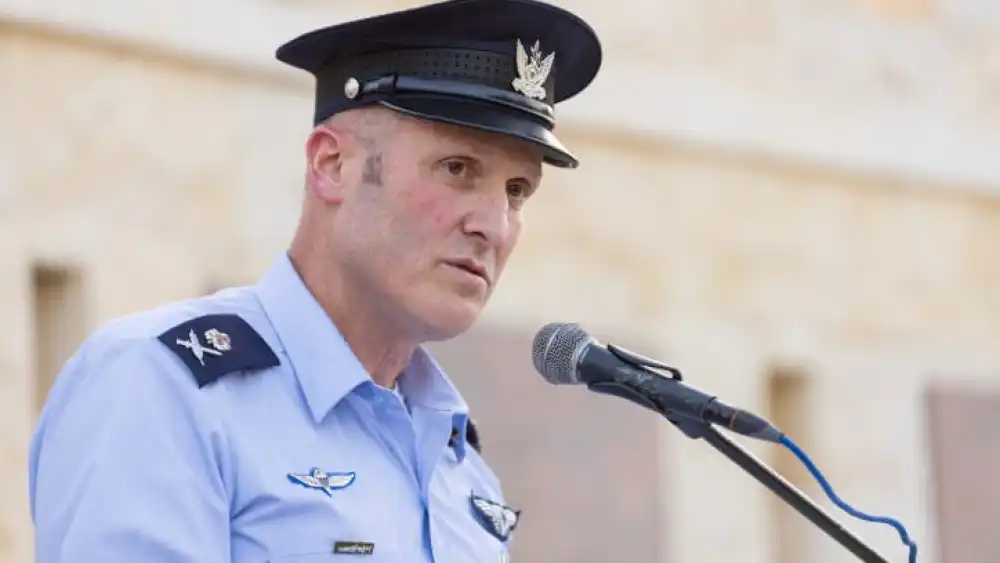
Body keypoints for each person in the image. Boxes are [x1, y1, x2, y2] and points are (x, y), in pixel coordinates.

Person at [28, 0, 602, 560]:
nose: (493, 225)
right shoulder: (163, 388)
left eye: (517, 192)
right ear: (333, 166)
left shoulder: (460, 468)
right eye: (457, 169)